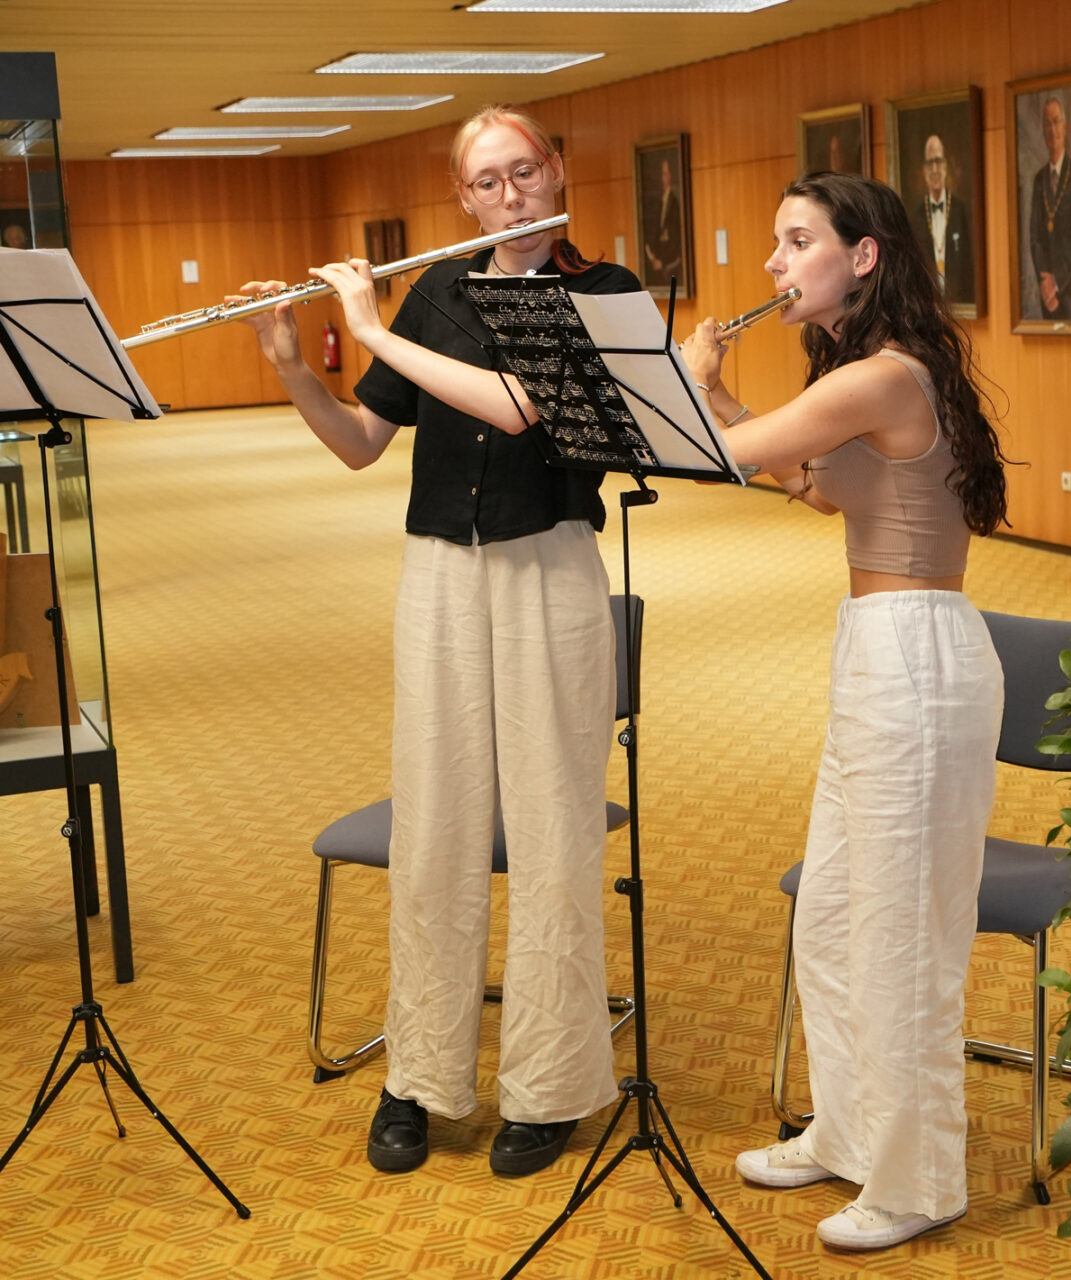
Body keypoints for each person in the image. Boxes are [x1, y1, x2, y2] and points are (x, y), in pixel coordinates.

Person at [234, 104, 640, 1178]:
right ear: (462, 199)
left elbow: (515, 409)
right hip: (438, 574)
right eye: (488, 183)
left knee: (554, 828)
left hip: (548, 564)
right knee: (436, 825)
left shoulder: (600, 295)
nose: (510, 197)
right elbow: (363, 444)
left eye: (525, 173)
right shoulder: (441, 292)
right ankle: (419, 1072)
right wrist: (291, 363)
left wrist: (370, 329)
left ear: (557, 170)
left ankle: (550, 1083)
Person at [679, 172, 1008, 1252]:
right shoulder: (865, 377)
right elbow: (811, 483)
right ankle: (849, 1128)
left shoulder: (884, 375)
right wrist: (724, 396)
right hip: (878, 650)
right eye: (776, 244)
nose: (773, 266)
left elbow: (725, 454)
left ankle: (919, 1179)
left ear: (861, 257)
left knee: (902, 937)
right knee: (830, 914)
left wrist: (687, 389)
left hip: (915, 657)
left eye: (795, 242)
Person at [1029, 94, 1071, 319]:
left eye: (1057, 121)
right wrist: (1044, 280)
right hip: (1047, 295)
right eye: (1047, 123)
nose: (1053, 129)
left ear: (1065, 126)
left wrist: (1056, 280)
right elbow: (1035, 236)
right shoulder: (1039, 179)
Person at [910, 133, 974, 303]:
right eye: (930, 163)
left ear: (946, 166)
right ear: (924, 170)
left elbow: (969, 265)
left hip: (960, 303)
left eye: (938, 161)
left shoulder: (961, 211)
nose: (935, 169)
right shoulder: (916, 217)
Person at [643, 156, 682, 286]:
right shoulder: (659, 202)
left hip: (670, 262)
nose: (662, 179)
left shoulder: (675, 203)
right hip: (660, 259)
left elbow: (676, 238)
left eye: (665, 174)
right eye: (661, 174)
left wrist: (663, 261)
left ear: (671, 176)